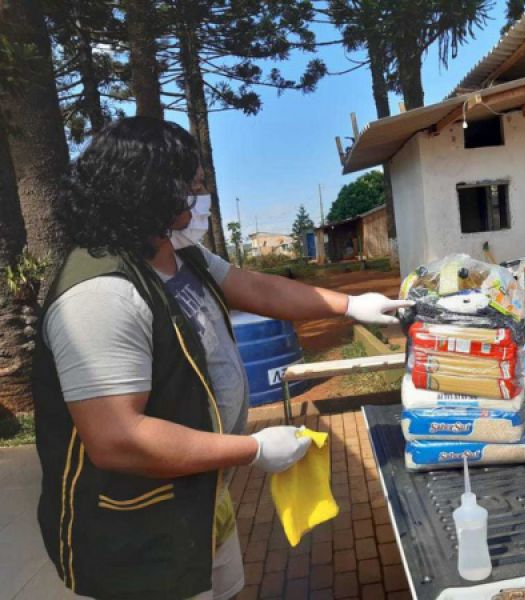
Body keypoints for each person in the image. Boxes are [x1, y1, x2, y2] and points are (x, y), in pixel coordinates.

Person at [32, 117, 410, 600]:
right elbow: (118, 439)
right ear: (147, 189)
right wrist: (252, 449)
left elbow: (253, 286)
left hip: (201, 498)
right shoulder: (101, 293)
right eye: (192, 186)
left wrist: (350, 305)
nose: (202, 195)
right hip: (137, 534)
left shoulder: (176, 251)